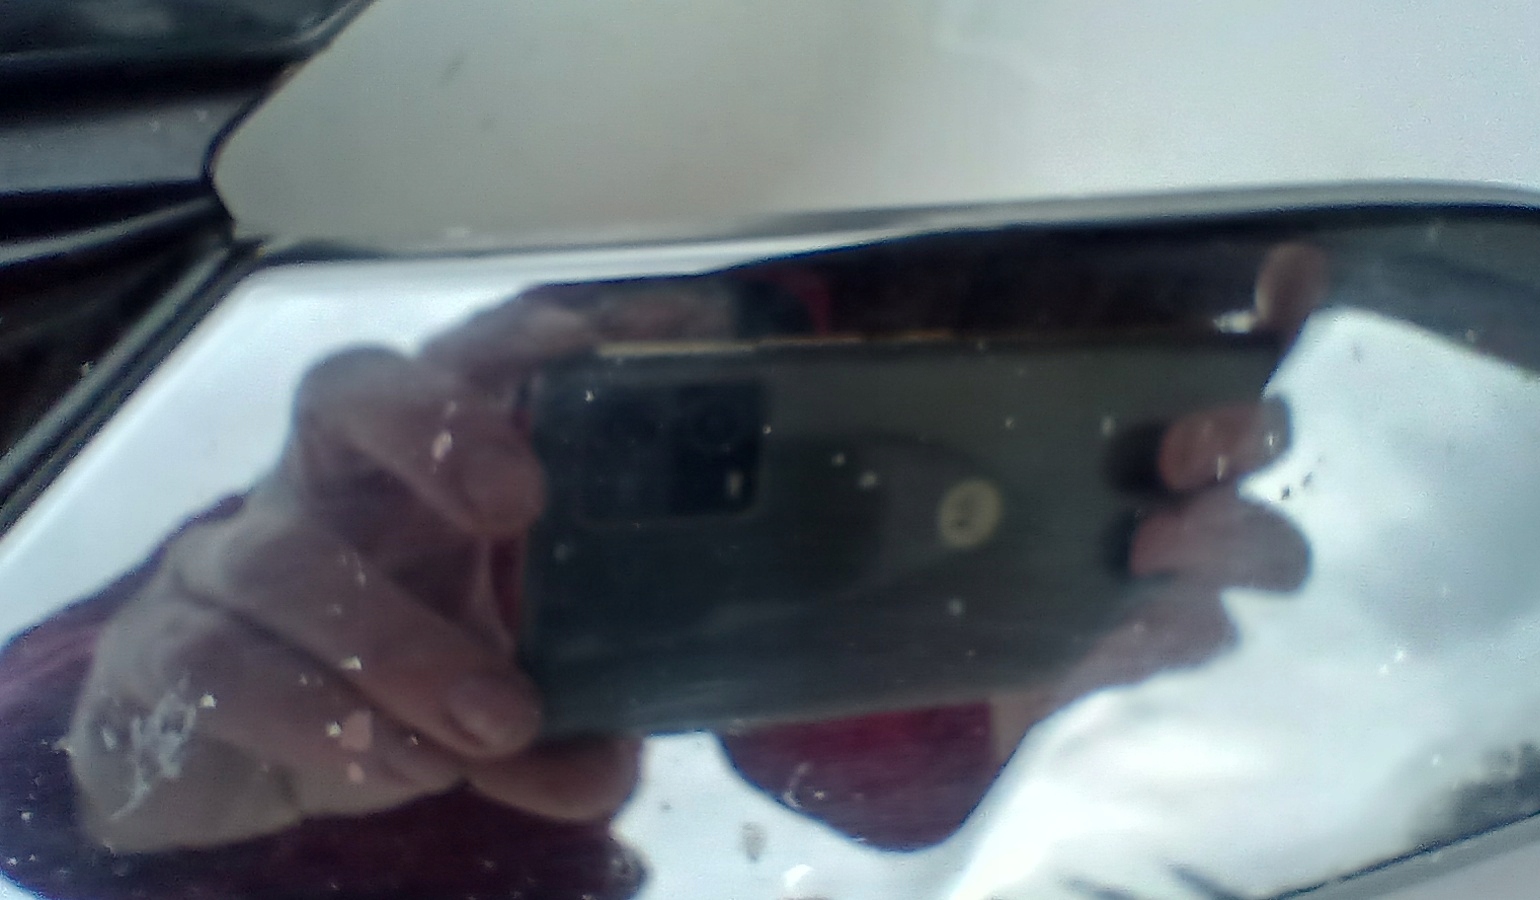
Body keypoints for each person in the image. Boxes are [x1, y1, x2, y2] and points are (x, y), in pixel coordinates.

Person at [0, 240, 1324, 900]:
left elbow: (880, 787)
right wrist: (123, 759)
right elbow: (88, 712)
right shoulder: (411, 503)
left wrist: (1050, 671)